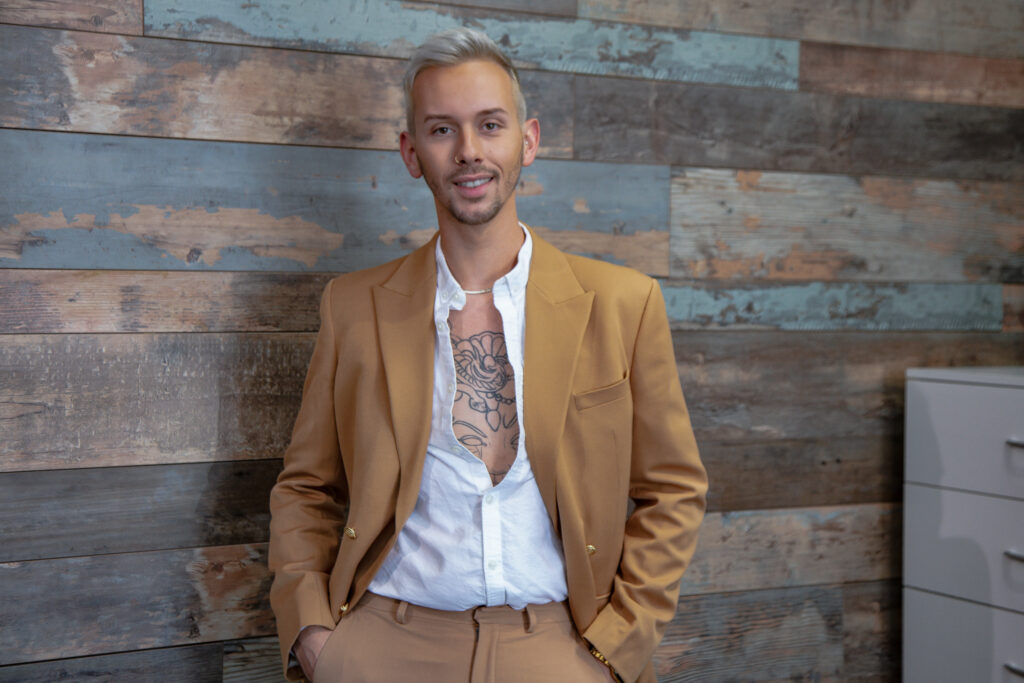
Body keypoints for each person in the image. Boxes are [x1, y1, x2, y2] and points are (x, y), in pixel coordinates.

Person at [268, 27, 707, 683]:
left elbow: (673, 488)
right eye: (442, 130)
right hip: (384, 645)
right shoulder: (353, 307)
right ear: (411, 153)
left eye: (490, 124)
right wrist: (313, 634)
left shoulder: (623, 303)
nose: (469, 151)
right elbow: (306, 486)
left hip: (560, 647)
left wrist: (618, 649)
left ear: (527, 140)